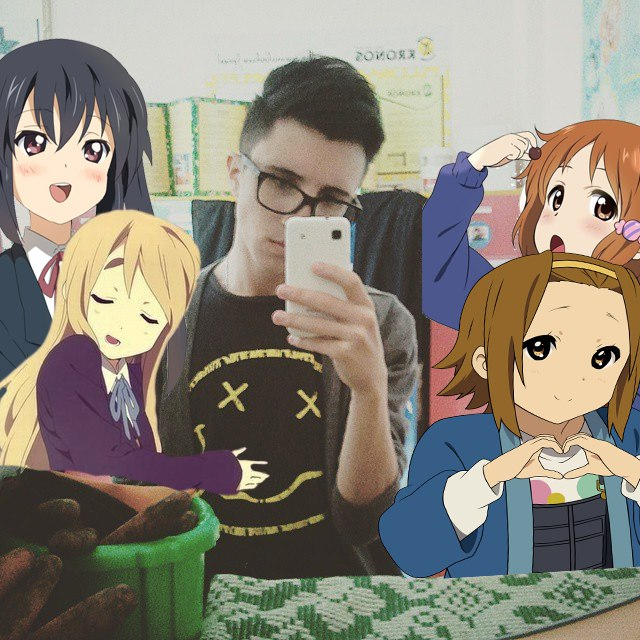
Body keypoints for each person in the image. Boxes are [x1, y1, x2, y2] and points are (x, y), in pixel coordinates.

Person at [157, 56, 418, 579]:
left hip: (341, 596)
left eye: (332, 200)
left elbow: (367, 520)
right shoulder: (161, 321)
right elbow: (148, 504)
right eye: (280, 182)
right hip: (202, 599)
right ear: (236, 175)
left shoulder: (380, 324)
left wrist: (368, 389)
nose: (301, 215)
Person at [380, 251, 640, 578]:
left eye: (603, 356)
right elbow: (410, 552)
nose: (575, 373)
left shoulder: (630, 434)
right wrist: (488, 478)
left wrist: (632, 472)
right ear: (485, 361)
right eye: (541, 348)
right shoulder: (456, 442)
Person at [0, 211, 268, 496]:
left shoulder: (132, 365)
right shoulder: (72, 361)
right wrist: (203, 471)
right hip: (67, 506)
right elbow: (111, 460)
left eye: (147, 317)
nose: (120, 324)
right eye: (105, 299)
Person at [0, 39, 154, 380]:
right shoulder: (7, 282)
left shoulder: (127, 275)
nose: (64, 170)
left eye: (93, 149)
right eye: (34, 143)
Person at [423, 120, 640, 330]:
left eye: (602, 207)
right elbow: (444, 280)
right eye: (556, 197)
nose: (560, 221)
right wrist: (472, 168)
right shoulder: (520, 300)